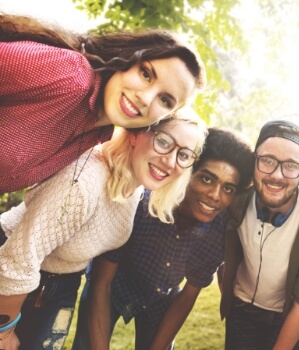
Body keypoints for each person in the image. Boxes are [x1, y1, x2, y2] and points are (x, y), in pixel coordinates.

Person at [0, 108, 207, 350]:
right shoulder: (84, 183)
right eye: (163, 142)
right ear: (136, 134)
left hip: (59, 285)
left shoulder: (135, 187)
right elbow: (18, 260)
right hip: (11, 272)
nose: (171, 161)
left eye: (184, 154)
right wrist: (4, 332)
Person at [71, 127, 254, 350]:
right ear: (188, 173)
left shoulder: (219, 231)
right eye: (206, 179)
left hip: (161, 298)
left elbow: (188, 296)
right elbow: (102, 282)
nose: (215, 195)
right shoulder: (141, 202)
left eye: (228, 188)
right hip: (112, 287)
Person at [0, 13, 205, 193]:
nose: (145, 98)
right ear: (128, 58)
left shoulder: (98, 133)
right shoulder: (71, 76)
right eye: (145, 74)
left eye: (165, 100)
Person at [220, 120, 299, 350]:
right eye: (267, 161)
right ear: (254, 160)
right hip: (242, 309)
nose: (277, 175)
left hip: (292, 313)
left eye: (291, 166)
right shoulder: (236, 200)